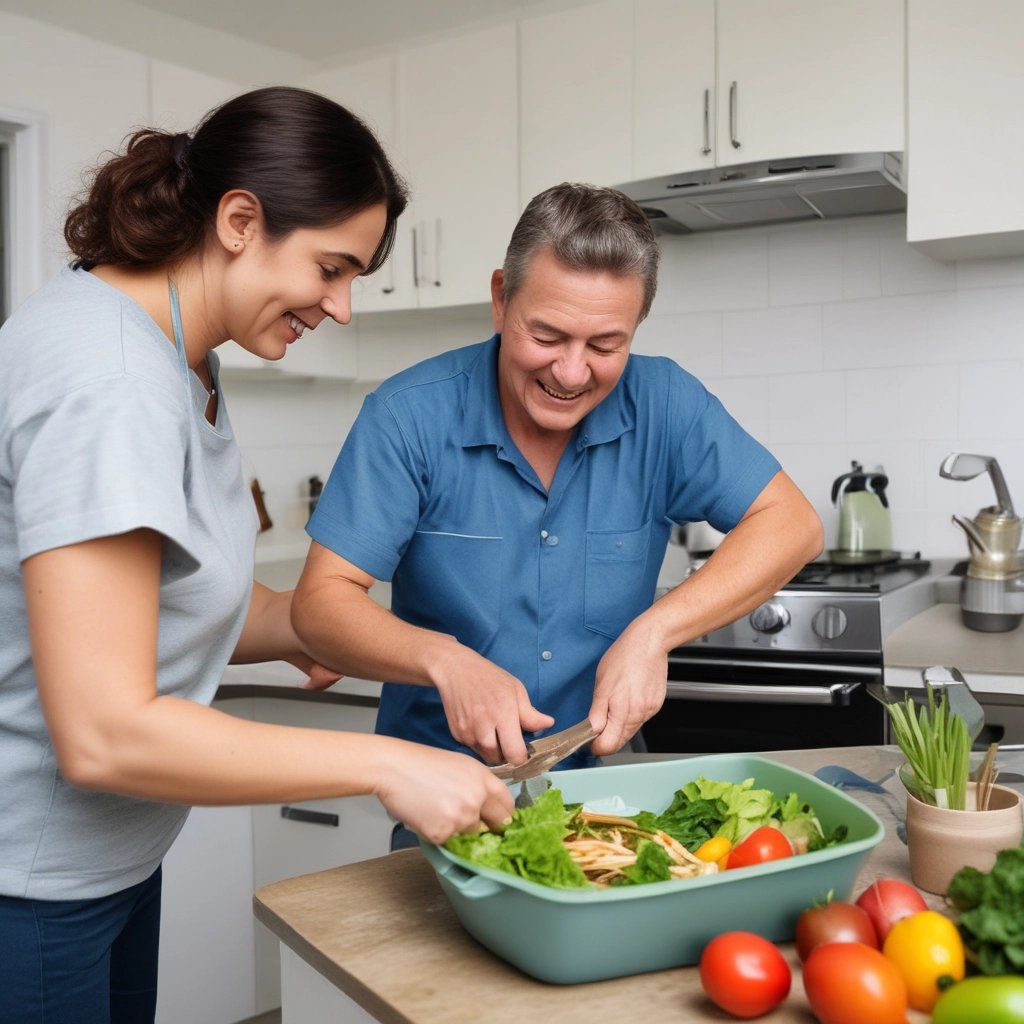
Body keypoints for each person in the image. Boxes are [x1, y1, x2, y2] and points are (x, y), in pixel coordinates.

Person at [0, 86, 513, 1024]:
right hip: (24, 887)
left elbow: (149, 605)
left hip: (97, 867)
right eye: (331, 267)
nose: (343, 307)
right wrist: (387, 765)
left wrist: (337, 631)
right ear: (240, 220)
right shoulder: (109, 382)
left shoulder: (179, 356)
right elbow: (105, 730)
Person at [292, 181, 825, 847]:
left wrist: (655, 632)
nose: (572, 373)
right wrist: (445, 660)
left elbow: (793, 523)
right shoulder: (407, 417)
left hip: (613, 802)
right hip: (448, 804)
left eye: (605, 345)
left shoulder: (664, 403)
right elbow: (319, 605)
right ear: (499, 300)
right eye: (547, 335)